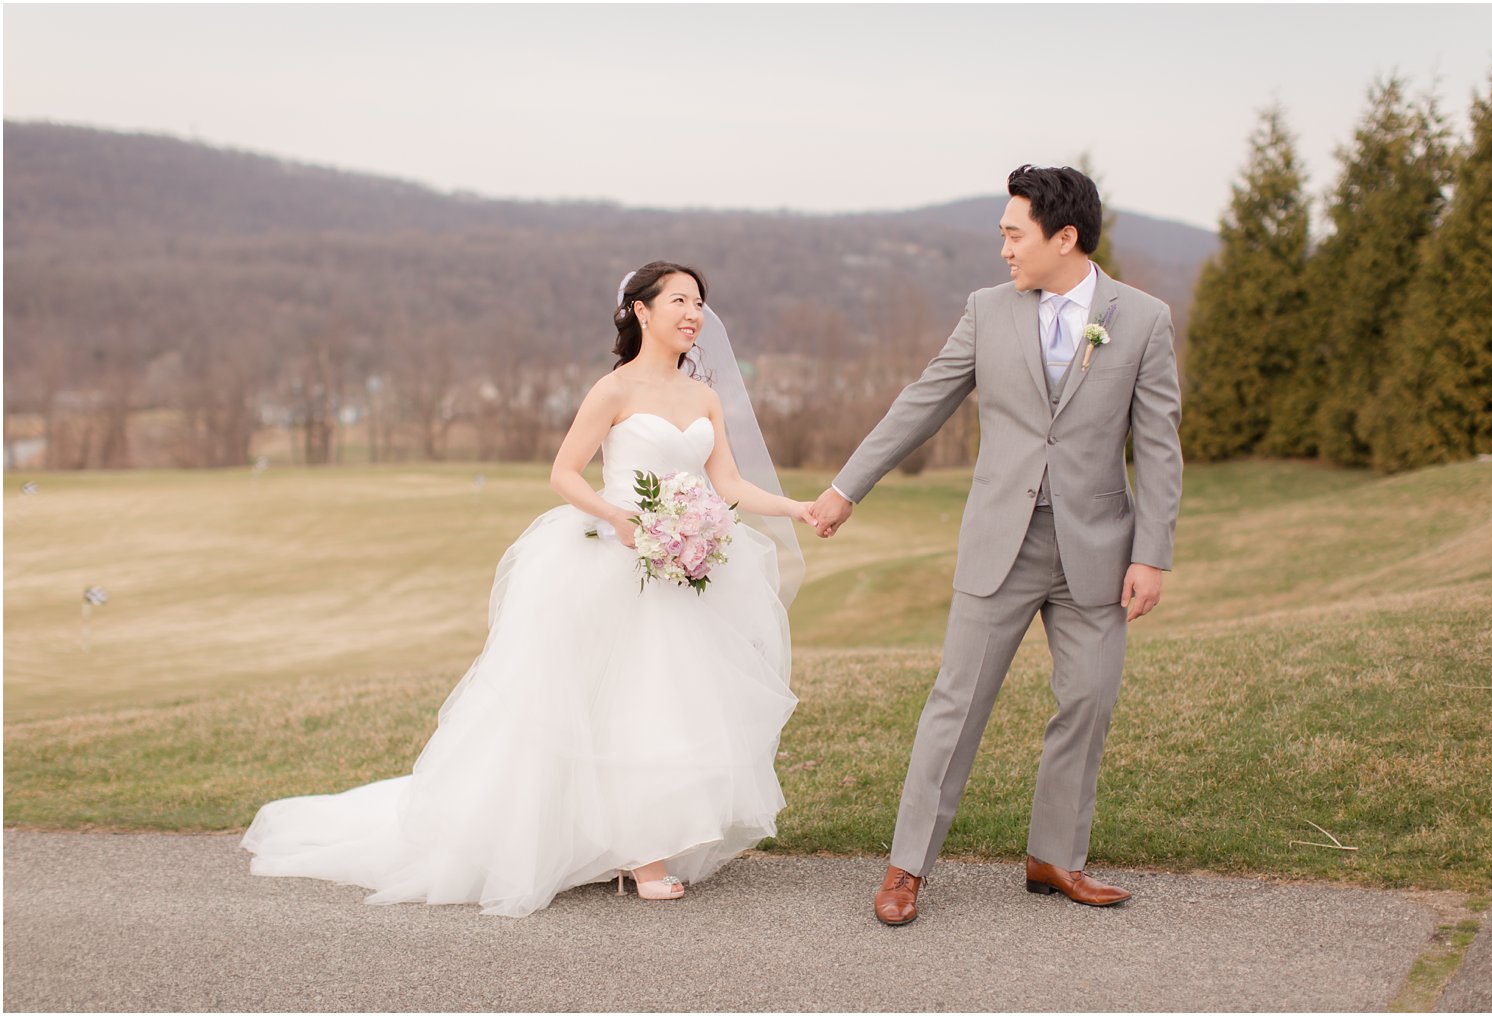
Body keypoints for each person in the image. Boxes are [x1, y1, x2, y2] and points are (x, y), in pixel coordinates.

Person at [243, 261, 815, 917]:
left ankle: (643, 841)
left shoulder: (703, 396)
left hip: (680, 567)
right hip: (615, 560)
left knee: (671, 700)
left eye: (700, 303)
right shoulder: (613, 391)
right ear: (640, 311)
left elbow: (730, 485)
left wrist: (794, 508)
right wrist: (620, 518)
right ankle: (639, 853)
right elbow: (565, 474)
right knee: (623, 698)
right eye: (680, 301)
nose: (694, 314)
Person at [810, 165, 1184, 923]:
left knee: (1088, 701)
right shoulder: (985, 311)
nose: (1005, 249)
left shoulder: (1142, 319)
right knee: (957, 703)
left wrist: (1153, 553)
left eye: (1015, 234)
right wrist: (846, 488)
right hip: (999, 543)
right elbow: (923, 401)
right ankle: (906, 867)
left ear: (1065, 237)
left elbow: (1159, 445)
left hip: (1099, 548)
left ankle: (1055, 859)